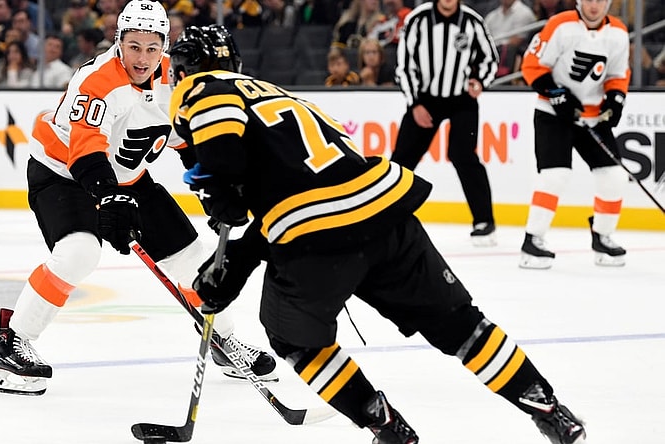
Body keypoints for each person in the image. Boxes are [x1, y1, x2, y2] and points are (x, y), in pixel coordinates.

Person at [167, 24, 587, 444]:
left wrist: (224, 189)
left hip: (316, 237)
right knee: (461, 325)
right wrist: (240, 257)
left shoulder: (204, 87)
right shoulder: (284, 96)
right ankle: (550, 410)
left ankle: (389, 429)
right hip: (384, 210)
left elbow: (227, 142)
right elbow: (310, 187)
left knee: (296, 339)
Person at [0, 0, 277, 397]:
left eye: (152, 47)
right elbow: (86, 152)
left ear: (165, 46)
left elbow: (187, 138)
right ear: (119, 40)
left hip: (128, 178)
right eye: (133, 46)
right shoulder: (97, 81)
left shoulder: (175, 79)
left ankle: (223, 340)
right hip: (63, 174)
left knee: (193, 258)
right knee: (79, 252)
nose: (142, 57)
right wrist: (107, 198)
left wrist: (215, 184)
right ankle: (13, 344)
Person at [519, 0, 630, 269]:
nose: (594, 5)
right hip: (552, 114)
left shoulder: (618, 32)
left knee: (614, 176)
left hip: (592, 118)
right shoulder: (560, 24)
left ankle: (603, 236)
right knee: (555, 175)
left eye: (601, 0)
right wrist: (556, 94)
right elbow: (532, 65)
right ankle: (532, 241)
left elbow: (617, 75)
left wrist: (615, 100)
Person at [393, 0, 500, 246]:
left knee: (464, 155)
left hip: (462, 99)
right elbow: (405, 67)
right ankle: (385, 215)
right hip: (425, 99)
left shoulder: (472, 21)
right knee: (403, 159)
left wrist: (480, 81)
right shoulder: (417, 21)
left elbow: (490, 59)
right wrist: (415, 104)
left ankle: (484, 221)